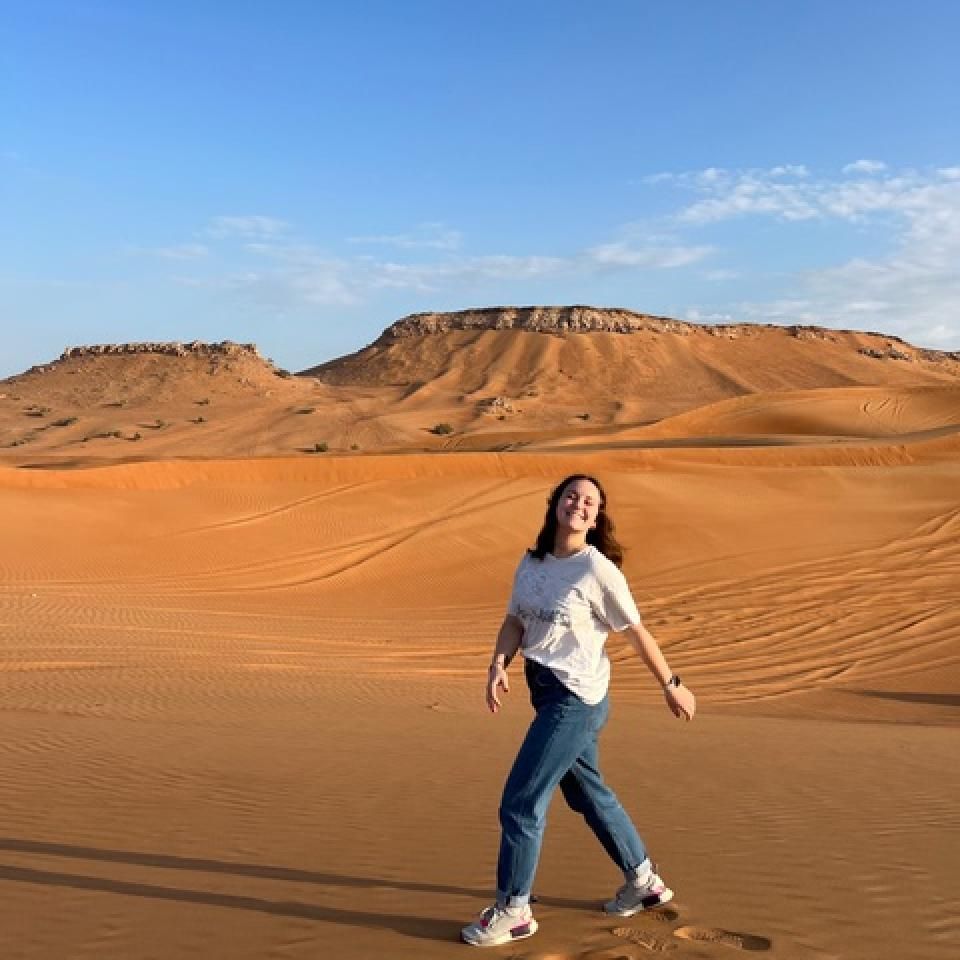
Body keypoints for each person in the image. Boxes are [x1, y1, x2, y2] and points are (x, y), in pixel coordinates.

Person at [461, 474, 696, 948]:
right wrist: (497, 664)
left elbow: (636, 632)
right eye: (572, 496)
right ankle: (644, 880)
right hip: (545, 691)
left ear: (597, 514)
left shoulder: (597, 570)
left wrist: (671, 684)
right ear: (555, 504)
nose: (580, 505)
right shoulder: (531, 564)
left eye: (590, 501)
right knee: (587, 793)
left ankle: (514, 909)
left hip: (575, 699)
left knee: (521, 800)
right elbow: (513, 621)